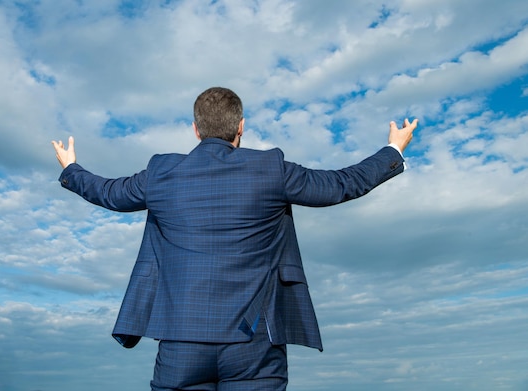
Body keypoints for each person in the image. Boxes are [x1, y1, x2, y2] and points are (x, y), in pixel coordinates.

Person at [52, 87, 417, 390]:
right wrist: (393, 150)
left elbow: (110, 194)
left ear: (196, 129)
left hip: (181, 341)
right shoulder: (270, 168)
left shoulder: (162, 172)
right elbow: (339, 184)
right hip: (253, 343)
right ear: (240, 127)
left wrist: (72, 169)